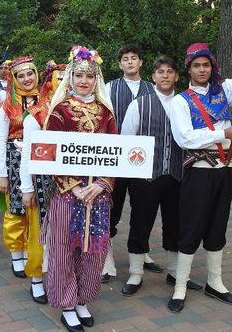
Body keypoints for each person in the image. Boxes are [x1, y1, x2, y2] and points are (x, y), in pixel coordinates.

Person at [168, 43, 232, 313]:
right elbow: (184, 138)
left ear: (212, 66)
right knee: (192, 226)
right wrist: (223, 135)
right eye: (196, 65)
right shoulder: (180, 101)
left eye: (206, 65)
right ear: (188, 69)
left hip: (225, 170)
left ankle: (215, 283)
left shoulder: (223, 91)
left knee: (218, 225)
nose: (202, 70)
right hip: (199, 173)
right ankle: (180, 286)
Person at [43, 46, 117, 332]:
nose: (84, 81)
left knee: (94, 250)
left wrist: (100, 185)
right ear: (70, 78)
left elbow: (116, 156)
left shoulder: (106, 114)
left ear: (96, 79)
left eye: (89, 76)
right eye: (79, 75)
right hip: (67, 194)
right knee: (64, 248)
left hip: (97, 196)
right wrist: (74, 187)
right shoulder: (59, 111)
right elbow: (50, 153)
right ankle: (66, 303)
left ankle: (83, 299)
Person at [120, 57, 202, 296]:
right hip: (145, 177)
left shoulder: (186, 103)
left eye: (170, 72)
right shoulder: (139, 104)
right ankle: (136, 274)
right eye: (160, 72)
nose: (165, 76)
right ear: (153, 77)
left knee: (175, 225)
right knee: (140, 223)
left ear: (177, 77)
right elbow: (127, 140)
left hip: (177, 175)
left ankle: (175, 272)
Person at [103, 44, 158, 282]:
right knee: (111, 208)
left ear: (141, 62)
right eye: (125, 59)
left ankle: (142, 252)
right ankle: (106, 258)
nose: (129, 62)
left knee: (143, 208)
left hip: (143, 160)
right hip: (115, 159)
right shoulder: (109, 88)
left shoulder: (153, 89)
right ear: (120, 64)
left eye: (134, 58)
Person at [19, 60, 67, 304]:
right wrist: (26, 187)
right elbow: (28, 151)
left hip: (71, 183)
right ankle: (36, 279)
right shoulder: (36, 114)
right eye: (60, 78)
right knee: (40, 232)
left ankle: (64, 280)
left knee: (65, 234)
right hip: (44, 182)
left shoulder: (77, 109)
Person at [0, 56, 40, 278]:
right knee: (16, 210)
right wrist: (2, 174)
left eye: (29, 73)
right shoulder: (7, 105)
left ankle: (35, 252)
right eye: (20, 76)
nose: (27, 79)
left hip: (41, 160)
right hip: (14, 161)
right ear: (13, 79)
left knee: (38, 208)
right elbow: (0, 141)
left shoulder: (46, 100)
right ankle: (17, 255)